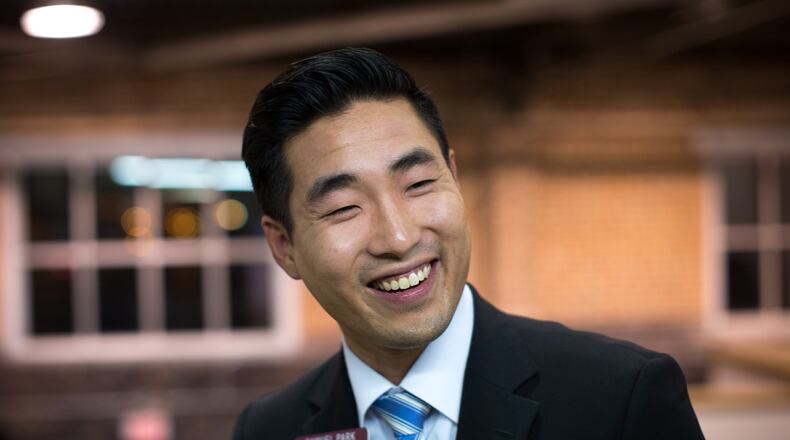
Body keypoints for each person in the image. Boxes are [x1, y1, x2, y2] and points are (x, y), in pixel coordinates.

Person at [234, 47, 705, 440]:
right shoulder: (268, 429)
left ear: (454, 177)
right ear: (284, 246)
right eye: (343, 208)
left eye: (419, 184)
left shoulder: (621, 398)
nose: (398, 237)